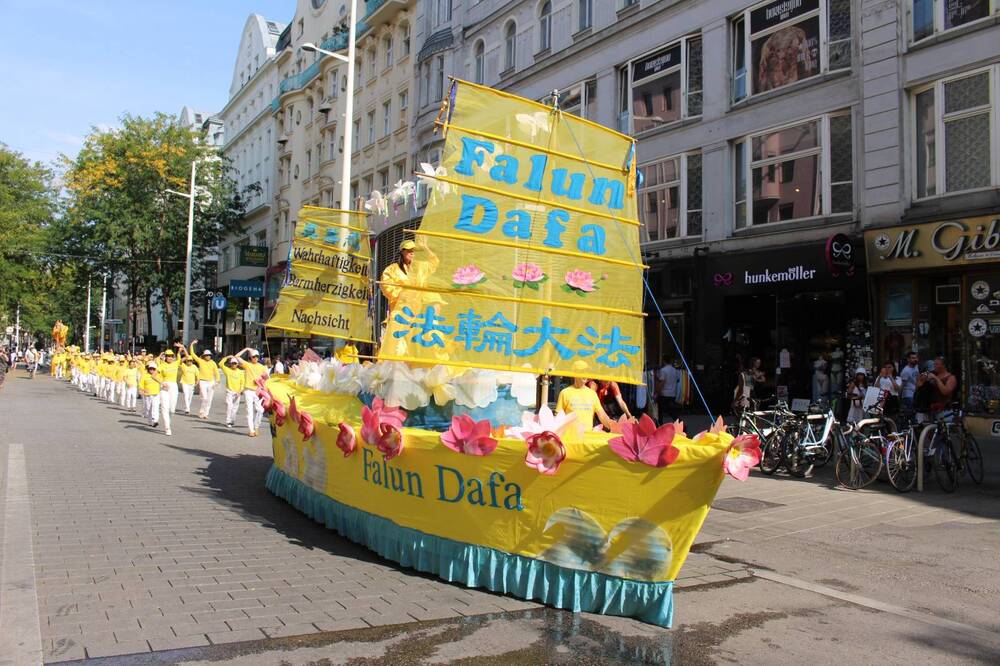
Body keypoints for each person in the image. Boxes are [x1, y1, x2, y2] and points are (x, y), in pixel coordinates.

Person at [379, 238, 442, 357]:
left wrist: (425, 248)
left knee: (416, 341)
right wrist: (401, 295)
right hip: (400, 311)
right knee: (396, 343)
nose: (412, 253)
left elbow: (435, 262)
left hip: (417, 311)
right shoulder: (392, 269)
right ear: (402, 252)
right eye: (409, 250)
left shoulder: (420, 267)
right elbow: (385, 284)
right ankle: (393, 366)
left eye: (414, 250)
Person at [234, 347, 269, 437]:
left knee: (260, 410)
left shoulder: (262, 367)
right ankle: (251, 430)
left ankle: (256, 426)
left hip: (258, 391)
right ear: (250, 357)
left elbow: (266, 379)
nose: (255, 358)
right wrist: (246, 349)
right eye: (253, 356)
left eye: (257, 356)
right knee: (249, 411)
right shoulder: (247, 365)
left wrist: (265, 379)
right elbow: (236, 356)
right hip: (248, 390)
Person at [188, 340, 220, 418]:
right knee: (205, 398)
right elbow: (192, 354)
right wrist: (192, 344)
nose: (208, 356)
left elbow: (216, 372)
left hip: (211, 382)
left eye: (209, 355)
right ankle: (202, 411)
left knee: (209, 399)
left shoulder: (213, 363)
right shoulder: (201, 361)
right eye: (206, 355)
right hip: (202, 381)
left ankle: (205, 413)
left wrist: (217, 381)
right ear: (204, 356)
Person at [140, 362, 171, 435]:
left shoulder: (158, 375)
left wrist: (164, 385)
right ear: (148, 368)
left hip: (156, 394)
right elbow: (141, 384)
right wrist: (143, 390)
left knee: (155, 407)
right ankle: (150, 421)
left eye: (153, 369)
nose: (152, 370)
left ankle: (155, 420)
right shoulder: (144, 376)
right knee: (148, 408)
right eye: (151, 368)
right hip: (148, 394)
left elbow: (162, 383)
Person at [218, 355, 246, 429]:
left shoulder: (240, 372)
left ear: (237, 364)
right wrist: (227, 357)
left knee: (235, 407)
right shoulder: (227, 370)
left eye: (235, 363)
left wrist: (240, 390)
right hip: (229, 391)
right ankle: (228, 421)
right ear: (230, 364)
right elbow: (220, 364)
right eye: (233, 363)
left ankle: (232, 420)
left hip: (237, 392)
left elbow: (242, 382)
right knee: (229, 406)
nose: (234, 365)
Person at [655, 357, 679, 424]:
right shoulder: (675, 370)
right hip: (672, 393)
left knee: (660, 411)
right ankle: (679, 422)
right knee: (672, 410)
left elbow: (662, 382)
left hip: (664, 393)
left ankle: (659, 424)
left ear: (664, 361)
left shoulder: (663, 370)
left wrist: (657, 392)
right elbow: (677, 380)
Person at [158, 348, 181, 413]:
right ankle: (166, 422)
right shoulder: (162, 365)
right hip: (165, 385)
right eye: (168, 356)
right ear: (165, 357)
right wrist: (162, 383)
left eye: (171, 356)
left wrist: (181, 349)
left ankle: (169, 419)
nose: (170, 357)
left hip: (173, 385)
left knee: (172, 409)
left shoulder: (176, 363)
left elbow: (187, 356)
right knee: (165, 407)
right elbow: (155, 374)